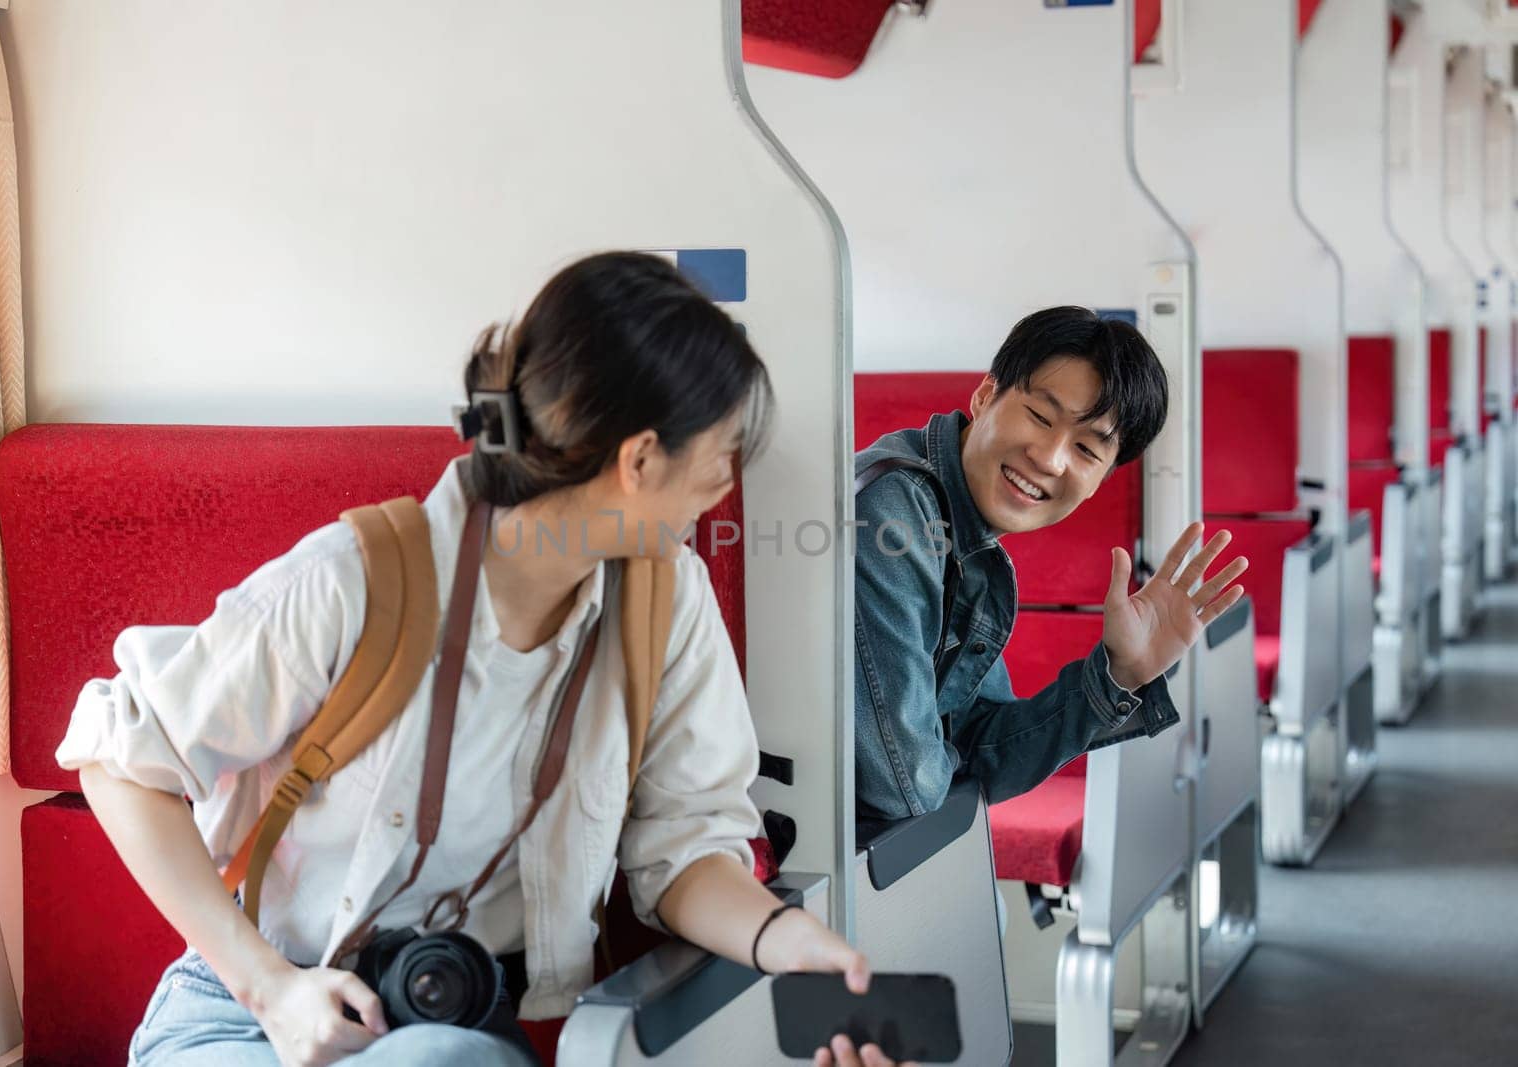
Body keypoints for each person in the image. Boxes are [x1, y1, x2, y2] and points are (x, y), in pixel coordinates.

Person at [61, 252, 910, 1067]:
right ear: (640, 459)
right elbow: (124, 762)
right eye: (722, 450)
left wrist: (786, 941)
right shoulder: (352, 582)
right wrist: (274, 989)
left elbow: (685, 849)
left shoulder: (666, 602)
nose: (730, 479)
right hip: (243, 1016)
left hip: (446, 1029)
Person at [853, 306, 1248, 819]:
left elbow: (982, 751)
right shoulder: (894, 512)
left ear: (1102, 480)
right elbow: (905, 786)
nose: (1050, 459)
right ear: (984, 395)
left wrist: (1119, 676)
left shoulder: (967, 541)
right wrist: (945, 760)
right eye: (1040, 417)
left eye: (1086, 449)